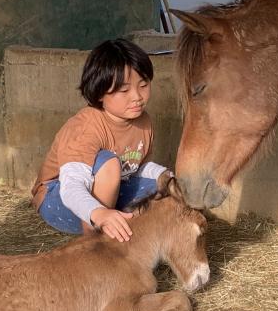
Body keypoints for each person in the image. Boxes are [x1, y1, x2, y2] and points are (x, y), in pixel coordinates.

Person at [31, 39, 172, 241]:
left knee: (164, 190)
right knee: (109, 163)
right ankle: (94, 243)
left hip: (110, 191)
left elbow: (136, 167)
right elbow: (71, 187)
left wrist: (165, 176)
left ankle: (120, 228)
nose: (137, 97)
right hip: (62, 199)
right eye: (124, 90)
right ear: (99, 93)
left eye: (143, 85)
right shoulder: (86, 126)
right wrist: (99, 213)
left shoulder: (144, 121)